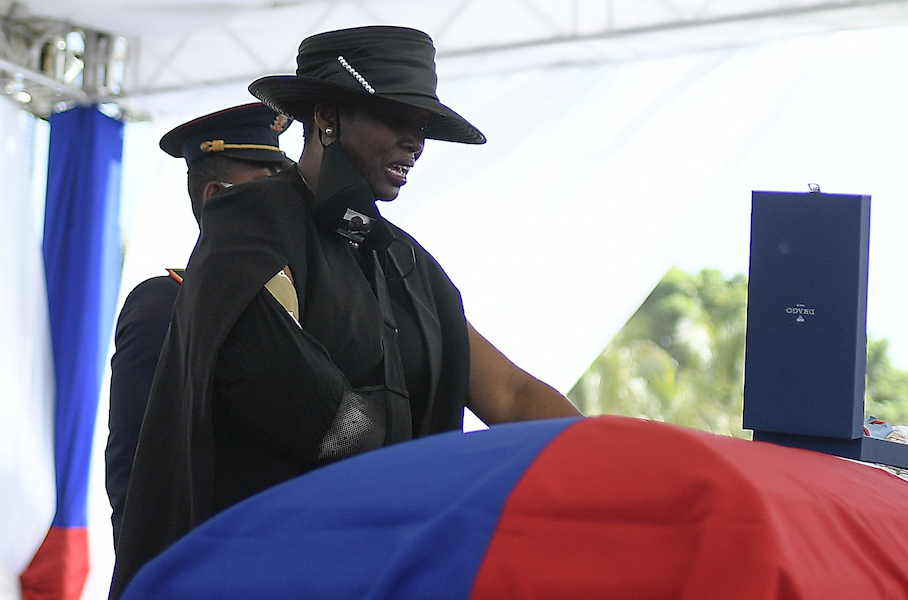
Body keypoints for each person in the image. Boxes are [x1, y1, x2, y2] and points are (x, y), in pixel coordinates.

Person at [109, 26, 582, 598]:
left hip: (381, 572)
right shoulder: (249, 228)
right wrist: (443, 484)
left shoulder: (408, 263)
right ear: (327, 116)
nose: (417, 143)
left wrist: (609, 462)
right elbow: (325, 419)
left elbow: (508, 394)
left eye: (423, 127)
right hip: (267, 576)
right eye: (397, 120)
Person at [104, 103, 294, 548]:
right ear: (216, 196)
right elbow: (136, 472)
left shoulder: (304, 304)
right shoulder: (166, 305)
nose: (287, 204)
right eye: (267, 184)